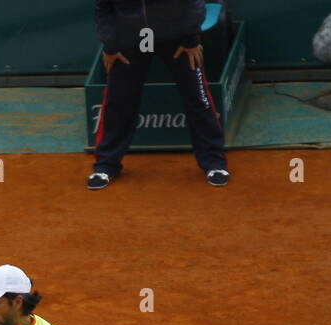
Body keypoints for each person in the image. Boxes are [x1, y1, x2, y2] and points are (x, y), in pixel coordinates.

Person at [90, 0, 229, 189]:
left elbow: (193, 3)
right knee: (118, 99)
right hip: (130, 38)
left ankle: (214, 162)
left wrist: (190, 39)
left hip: (176, 36)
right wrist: (111, 46)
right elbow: (103, 8)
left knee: (198, 97)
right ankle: (105, 165)